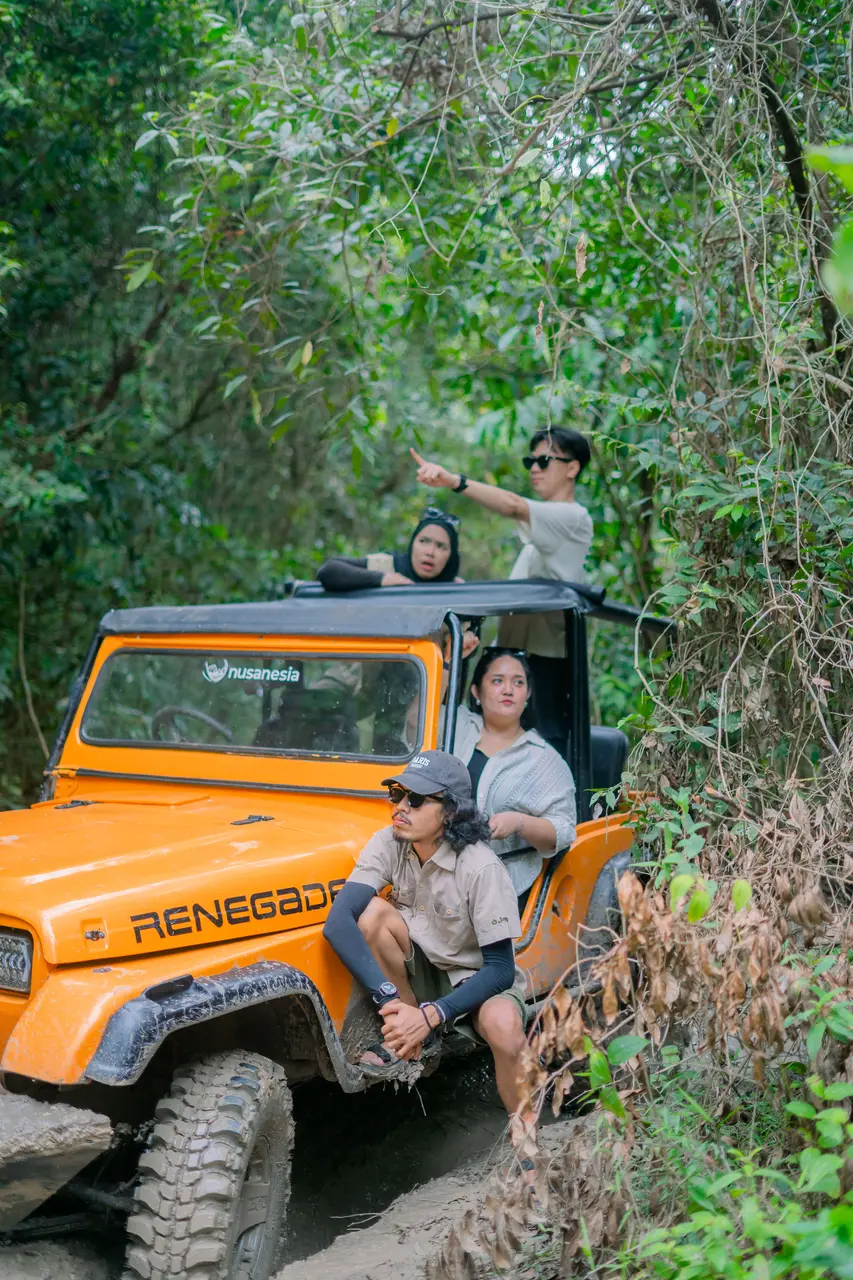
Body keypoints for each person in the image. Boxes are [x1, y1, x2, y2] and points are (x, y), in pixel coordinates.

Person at [322, 750, 533, 1138]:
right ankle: (410, 1032)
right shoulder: (389, 842)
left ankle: (526, 1140)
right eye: (397, 795)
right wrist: (392, 1005)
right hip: (418, 975)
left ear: (450, 812)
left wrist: (434, 1013)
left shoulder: (481, 867)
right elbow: (338, 922)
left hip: (474, 981)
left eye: (416, 800)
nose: (401, 807)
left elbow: (501, 970)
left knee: (504, 1027)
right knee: (370, 914)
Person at [411, 427, 593, 755]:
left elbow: (512, 505)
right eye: (530, 461)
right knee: (477, 740)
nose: (534, 468)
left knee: (541, 747)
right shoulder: (542, 530)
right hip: (508, 655)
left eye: (544, 460)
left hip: (543, 661)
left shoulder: (574, 517)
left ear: (572, 468)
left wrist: (455, 481)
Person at [453, 649, 576, 899]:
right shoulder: (456, 726)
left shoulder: (545, 759)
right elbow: (415, 714)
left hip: (501, 889)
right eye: (497, 680)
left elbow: (564, 831)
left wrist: (519, 822)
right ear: (476, 691)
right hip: (437, 875)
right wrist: (448, 656)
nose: (508, 689)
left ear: (528, 694)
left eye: (518, 682)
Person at [317, 507, 462, 591]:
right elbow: (329, 571)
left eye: (441, 546)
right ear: (413, 543)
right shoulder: (387, 565)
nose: (430, 552)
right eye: (424, 541)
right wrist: (381, 579)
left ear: (451, 556)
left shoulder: (456, 590)